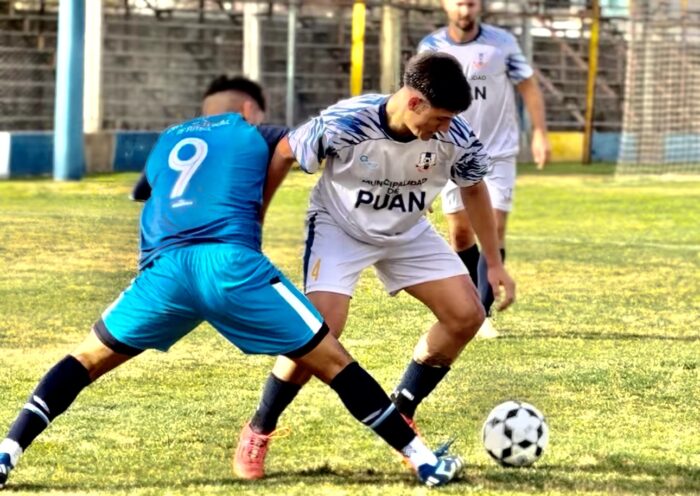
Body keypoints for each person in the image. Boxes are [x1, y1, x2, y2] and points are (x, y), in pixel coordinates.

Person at [0, 80, 464, 491]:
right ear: (248, 110)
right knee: (334, 361)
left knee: (84, 361)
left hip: (164, 274)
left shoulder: (169, 139)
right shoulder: (252, 132)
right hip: (231, 267)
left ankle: (8, 451)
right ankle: (424, 461)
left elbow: (142, 192)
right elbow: (296, 145)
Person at [233, 52, 516, 481]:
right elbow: (285, 152)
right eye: (440, 118)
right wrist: (254, 222)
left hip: (406, 230)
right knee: (319, 332)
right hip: (340, 228)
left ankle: (402, 411)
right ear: (414, 102)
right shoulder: (347, 122)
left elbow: (474, 188)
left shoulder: (456, 136)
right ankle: (259, 428)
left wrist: (493, 263)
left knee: (466, 315)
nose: (446, 127)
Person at [419, 0, 551, 338]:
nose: (465, 11)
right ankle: (470, 304)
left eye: (471, 3)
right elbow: (418, 101)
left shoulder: (502, 43)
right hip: (451, 150)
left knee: (495, 226)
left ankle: (481, 313)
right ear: (445, 5)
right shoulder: (431, 46)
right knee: (461, 233)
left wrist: (539, 132)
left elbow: (528, 86)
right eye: (459, 4)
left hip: (498, 151)